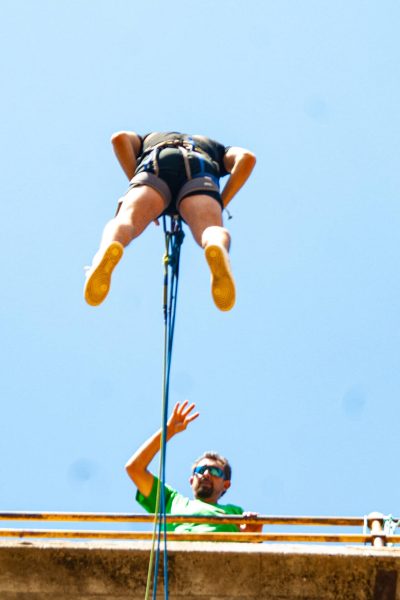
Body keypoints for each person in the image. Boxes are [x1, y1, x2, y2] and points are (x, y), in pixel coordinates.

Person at [84, 131, 256, 312]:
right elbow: (247, 158)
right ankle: (217, 247)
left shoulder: (149, 138)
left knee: (127, 220)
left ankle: (104, 252)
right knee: (210, 228)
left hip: (155, 164)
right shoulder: (216, 148)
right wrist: (220, 203)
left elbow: (118, 139)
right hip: (201, 169)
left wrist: (135, 180)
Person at [125, 401, 262, 533]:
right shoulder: (171, 501)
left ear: (226, 485)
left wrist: (252, 534)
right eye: (200, 470)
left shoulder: (234, 512)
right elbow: (134, 469)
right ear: (191, 480)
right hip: (175, 556)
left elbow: (248, 542)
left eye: (214, 471)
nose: (206, 474)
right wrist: (169, 430)